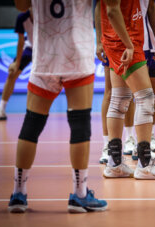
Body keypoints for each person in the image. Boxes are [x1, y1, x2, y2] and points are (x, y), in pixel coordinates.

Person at [9, 0, 107, 213]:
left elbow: (20, 6)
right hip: (77, 54)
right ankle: (80, 194)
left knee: (32, 123)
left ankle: (18, 193)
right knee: (80, 123)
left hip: (45, 56)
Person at [97, 0, 155, 180]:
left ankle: (114, 164)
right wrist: (129, 45)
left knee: (120, 98)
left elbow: (151, 6)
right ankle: (144, 165)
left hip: (123, 39)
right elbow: (111, 11)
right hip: (124, 40)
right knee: (145, 98)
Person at [0, 9, 33, 121]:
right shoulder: (22, 17)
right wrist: (16, 63)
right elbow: (21, 41)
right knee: (12, 74)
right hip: (29, 48)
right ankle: (1, 110)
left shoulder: (47, 14)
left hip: (47, 50)